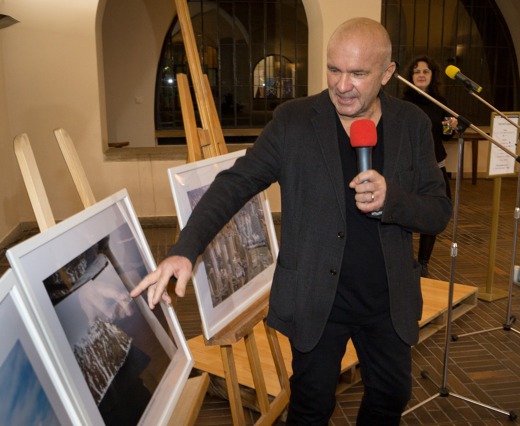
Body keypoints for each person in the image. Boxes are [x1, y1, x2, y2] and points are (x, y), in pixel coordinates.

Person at [131, 18, 451, 425]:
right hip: (318, 299)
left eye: (358, 73)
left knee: (391, 395)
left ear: (387, 73)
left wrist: (393, 201)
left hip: (387, 300)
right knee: (310, 406)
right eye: (334, 69)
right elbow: (236, 183)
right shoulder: (295, 120)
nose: (342, 84)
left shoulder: (412, 124)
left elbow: (438, 210)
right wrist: (185, 248)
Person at [402, 56, 457, 278]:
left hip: (436, 166)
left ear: (432, 76)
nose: (421, 75)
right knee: (405, 213)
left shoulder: (440, 102)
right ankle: (404, 259)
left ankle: (423, 263)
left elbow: (446, 135)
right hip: (410, 168)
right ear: (410, 77)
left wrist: (451, 127)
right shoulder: (403, 105)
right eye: (416, 71)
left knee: (435, 213)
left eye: (426, 71)